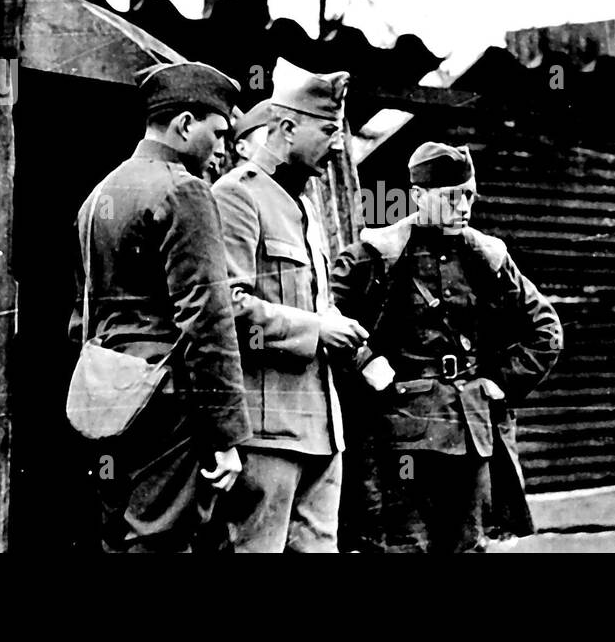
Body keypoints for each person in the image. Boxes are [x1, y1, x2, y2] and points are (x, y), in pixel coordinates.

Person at [328, 142, 563, 553]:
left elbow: (546, 329)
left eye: (470, 194)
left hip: (470, 432)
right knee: (404, 546)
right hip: (398, 436)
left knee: (468, 546)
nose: (464, 205)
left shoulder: (487, 256)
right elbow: (326, 318)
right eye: (452, 196)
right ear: (418, 196)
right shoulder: (376, 255)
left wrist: (502, 380)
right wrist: (364, 361)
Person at [68, 61, 252, 553]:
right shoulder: (184, 189)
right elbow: (208, 320)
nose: (222, 151)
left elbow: (80, 319)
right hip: (167, 400)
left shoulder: (99, 194)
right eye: (219, 133)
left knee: (119, 538)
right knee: (163, 542)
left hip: (107, 394)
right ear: (186, 124)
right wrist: (225, 435)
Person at [211, 61, 366, 553]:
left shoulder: (304, 203)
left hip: (323, 430)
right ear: (287, 127)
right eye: (328, 131)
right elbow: (225, 308)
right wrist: (316, 329)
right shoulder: (237, 196)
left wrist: (334, 324)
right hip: (267, 432)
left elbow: (310, 300)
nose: (337, 145)